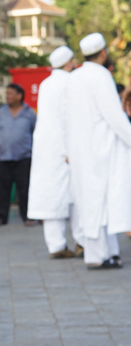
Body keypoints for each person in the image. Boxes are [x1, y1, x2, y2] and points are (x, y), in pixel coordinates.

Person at [65, 32, 131, 268]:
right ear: (103, 52)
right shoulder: (101, 75)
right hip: (100, 149)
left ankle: (109, 252)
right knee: (100, 201)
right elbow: (114, 115)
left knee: (90, 201)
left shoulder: (74, 76)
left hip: (80, 149)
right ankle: (98, 255)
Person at [27, 46, 83, 259]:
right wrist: (70, 148)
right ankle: (82, 241)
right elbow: (70, 117)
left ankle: (56, 245)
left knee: (51, 196)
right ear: (69, 63)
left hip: (45, 149)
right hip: (66, 147)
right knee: (77, 196)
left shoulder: (46, 83)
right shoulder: (71, 82)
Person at [0, 83, 37, 226]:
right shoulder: (1, 112)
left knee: (24, 189)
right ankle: (1, 217)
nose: (7, 96)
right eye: (7, 93)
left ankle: (28, 217)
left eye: (10, 93)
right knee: (2, 189)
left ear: (19, 96)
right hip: (3, 156)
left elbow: (35, 133)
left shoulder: (29, 113)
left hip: (23, 157)